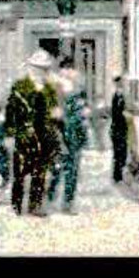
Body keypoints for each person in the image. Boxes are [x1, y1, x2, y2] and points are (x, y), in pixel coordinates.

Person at [4, 49, 59, 217]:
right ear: (31, 68)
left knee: (40, 173)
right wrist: (9, 135)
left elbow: (53, 111)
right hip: (24, 135)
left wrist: (56, 117)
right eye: (37, 67)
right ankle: (17, 204)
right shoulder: (20, 86)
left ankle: (35, 205)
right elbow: (11, 112)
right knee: (20, 172)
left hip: (45, 136)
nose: (41, 71)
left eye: (44, 68)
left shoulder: (50, 89)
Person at [46, 61, 90, 214]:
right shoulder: (54, 90)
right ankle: (49, 199)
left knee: (72, 171)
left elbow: (82, 115)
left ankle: (67, 204)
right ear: (63, 71)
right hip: (59, 136)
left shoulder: (77, 91)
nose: (74, 74)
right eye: (70, 70)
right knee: (56, 169)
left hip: (74, 137)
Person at [109, 75, 130, 183]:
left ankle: (118, 175)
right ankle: (117, 176)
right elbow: (116, 113)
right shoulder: (117, 96)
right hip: (118, 128)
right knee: (119, 153)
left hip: (120, 129)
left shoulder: (120, 96)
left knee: (121, 153)